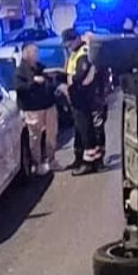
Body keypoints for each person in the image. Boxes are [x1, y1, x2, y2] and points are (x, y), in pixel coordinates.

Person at [63, 29, 106, 176]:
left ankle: (90, 162)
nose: (67, 46)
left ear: (76, 39)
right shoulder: (75, 53)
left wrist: (71, 80)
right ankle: (85, 159)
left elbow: (81, 74)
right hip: (78, 96)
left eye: (69, 43)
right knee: (81, 130)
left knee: (88, 129)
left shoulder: (83, 52)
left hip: (84, 96)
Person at [15, 43, 62, 175]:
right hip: (33, 109)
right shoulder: (21, 71)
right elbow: (19, 88)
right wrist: (34, 81)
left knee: (52, 134)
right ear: (26, 54)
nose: (37, 54)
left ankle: (51, 160)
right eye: (34, 52)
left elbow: (50, 82)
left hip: (48, 105)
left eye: (37, 51)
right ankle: (37, 163)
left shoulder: (41, 68)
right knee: (35, 137)